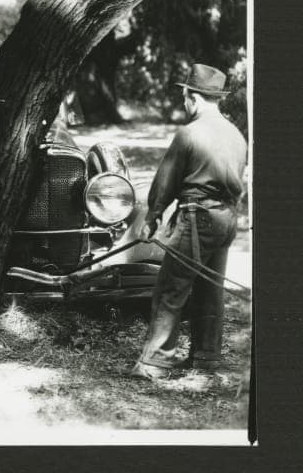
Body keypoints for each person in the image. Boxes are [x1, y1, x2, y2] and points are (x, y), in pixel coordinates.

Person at [130, 63, 247, 380]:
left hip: (197, 219)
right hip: (226, 220)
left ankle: (155, 362)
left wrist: (152, 219)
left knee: (171, 289)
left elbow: (166, 181)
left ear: (193, 97)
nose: (184, 103)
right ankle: (206, 357)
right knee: (210, 289)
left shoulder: (189, 134)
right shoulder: (236, 135)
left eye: (185, 96)